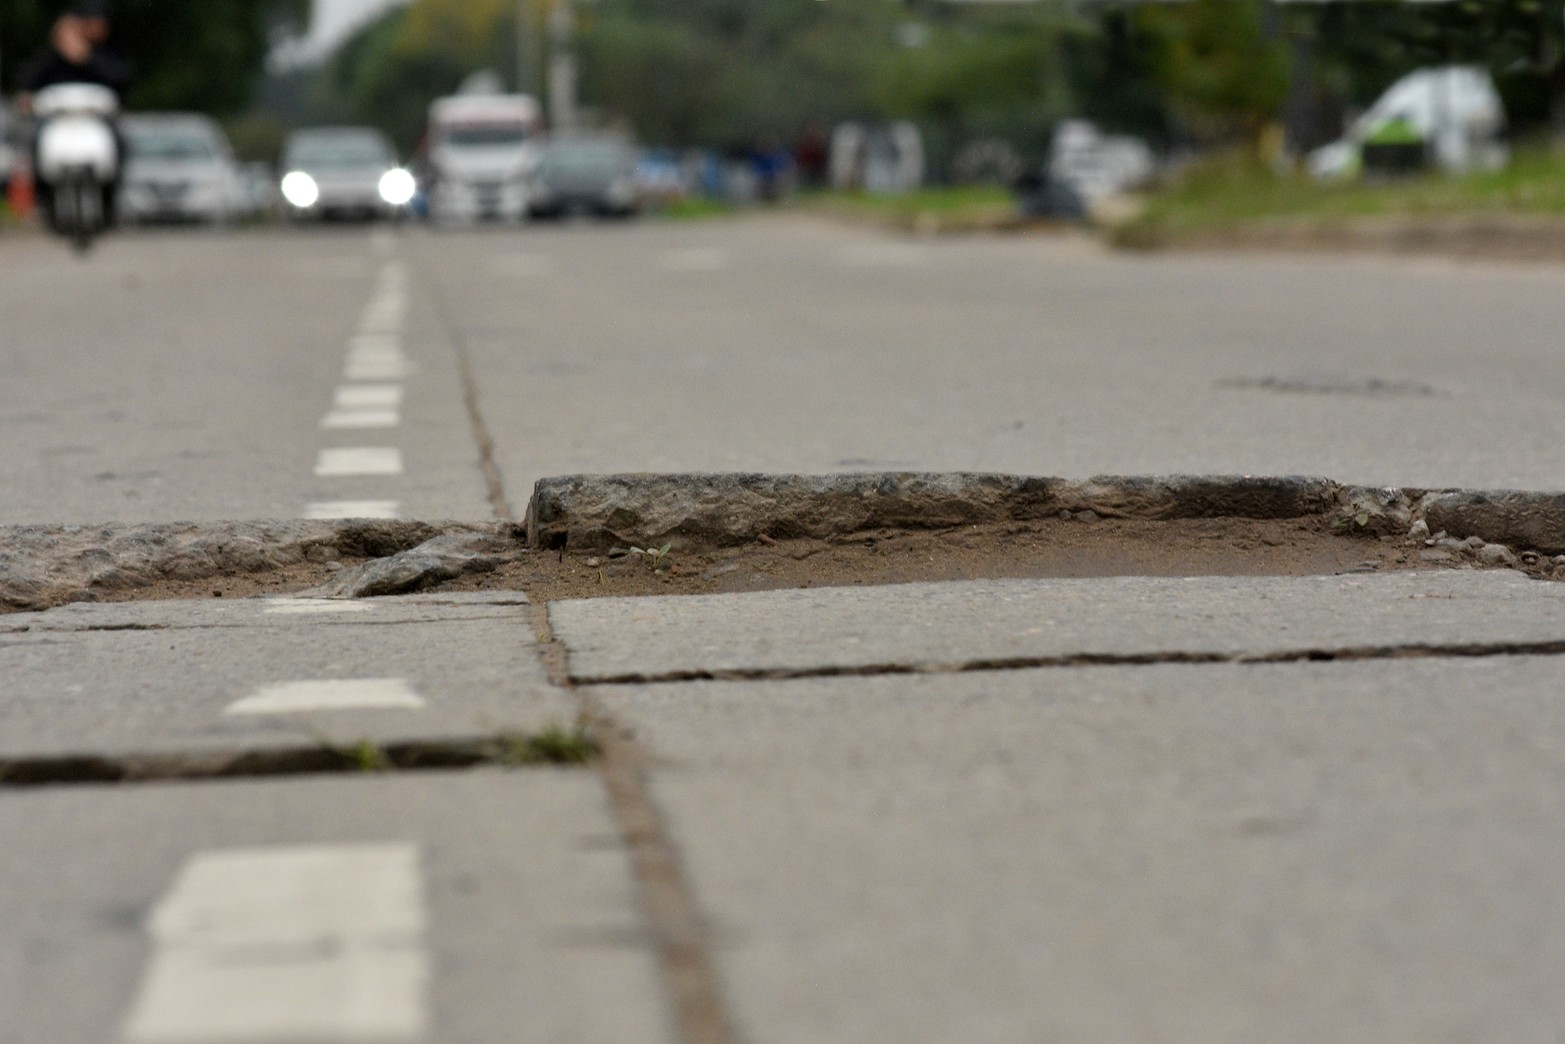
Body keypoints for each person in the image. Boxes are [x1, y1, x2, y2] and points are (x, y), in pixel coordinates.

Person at [18, 1, 131, 228]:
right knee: (35, 140)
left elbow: (121, 79)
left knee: (119, 140)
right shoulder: (54, 53)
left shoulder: (108, 50)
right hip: (59, 119)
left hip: (94, 118)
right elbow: (30, 80)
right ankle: (42, 199)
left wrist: (87, 57)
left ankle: (110, 201)